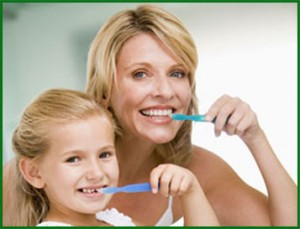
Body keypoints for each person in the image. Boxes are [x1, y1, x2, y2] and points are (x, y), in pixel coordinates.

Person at [3, 4, 296, 226]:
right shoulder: (32, 172)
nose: (165, 91)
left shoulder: (197, 170)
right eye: (140, 74)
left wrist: (255, 137)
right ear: (105, 89)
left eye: (177, 73)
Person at [6, 88, 220, 226]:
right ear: (34, 173)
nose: (96, 173)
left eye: (104, 154)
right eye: (73, 159)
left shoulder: (113, 221)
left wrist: (191, 191)